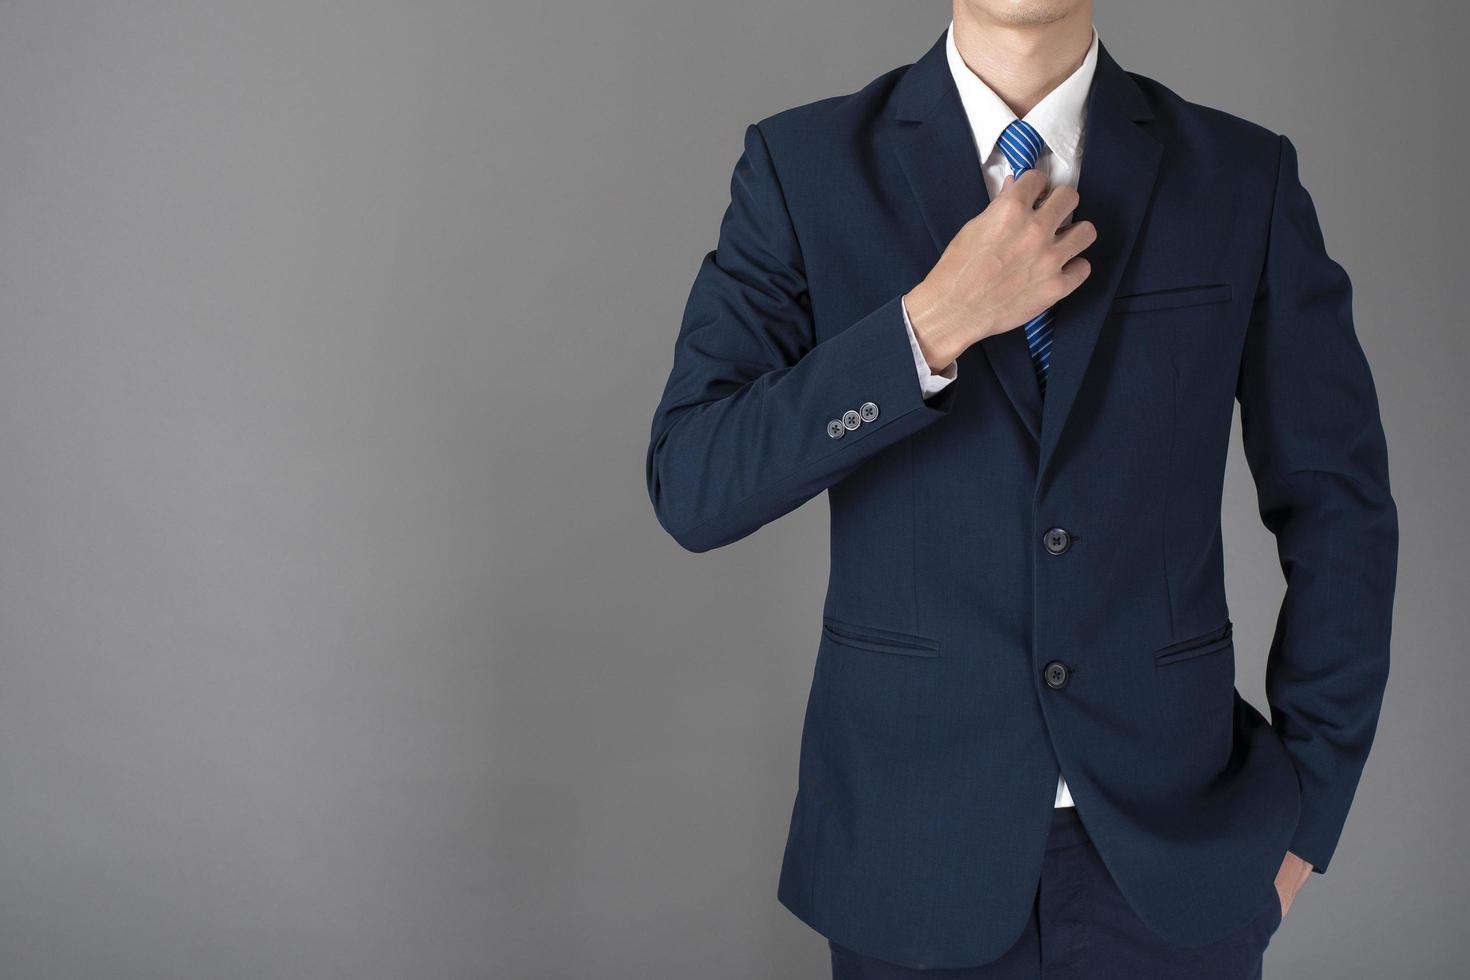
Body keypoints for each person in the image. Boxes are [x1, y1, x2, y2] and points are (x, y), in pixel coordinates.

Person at [644, 1, 1398, 976]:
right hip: (909, 862)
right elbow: (696, 480)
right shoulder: (804, 169)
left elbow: (1341, 508)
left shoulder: (1241, 176)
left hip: (1178, 869)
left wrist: (1307, 818)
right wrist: (924, 329)